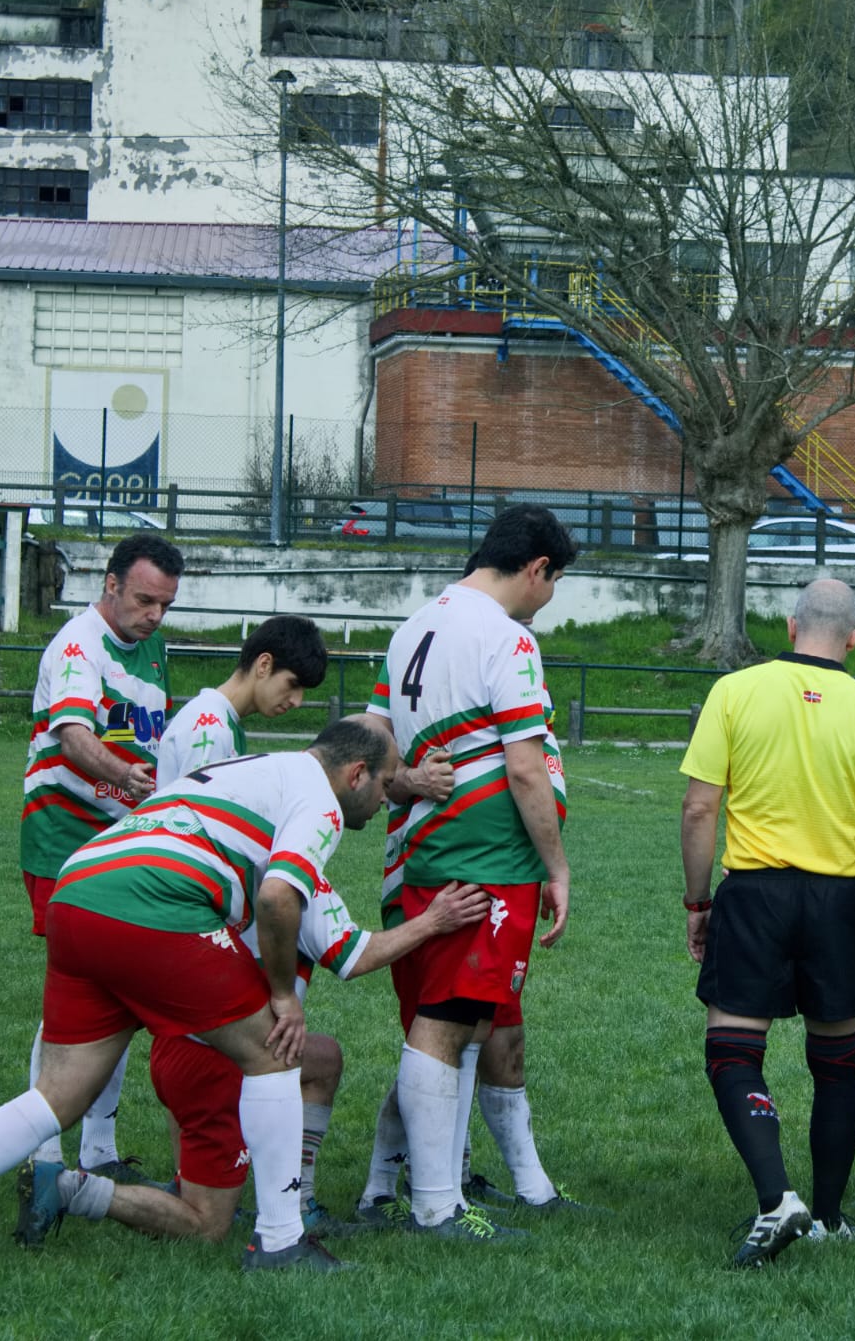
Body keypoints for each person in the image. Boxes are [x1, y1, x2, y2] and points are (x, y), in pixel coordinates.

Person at [0, 717, 397, 1273]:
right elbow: (278, 896)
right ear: (355, 774)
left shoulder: (251, 767)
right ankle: (282, 1241)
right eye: (384, 785)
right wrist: (284, 997)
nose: (383, 801)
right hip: (154, 895)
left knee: (57, 1095)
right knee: (274, 1047)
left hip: (79, 887)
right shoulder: (319, 795)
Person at [25, 874, 488, 1245]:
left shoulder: (228, 866)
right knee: (205, 1226)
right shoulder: (293, 885)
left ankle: (290, 1199)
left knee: (322, 1058)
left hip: (175, 1046)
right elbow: (356, 956)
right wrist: (433, 922)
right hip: (219, 1066)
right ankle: (73, 1189)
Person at [681, 577, 855, 1267]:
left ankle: (774, 1196)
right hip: (837, 899)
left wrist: (698, 903)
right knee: (836, 1061)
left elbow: (700, 810)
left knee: (732, 1050)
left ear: (790, 629)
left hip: (754, 891)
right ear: (854, 639)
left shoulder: (735, 690)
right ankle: (828, 1214)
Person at [364, 505, 578, 1243]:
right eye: (554, 585)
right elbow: (524, 767)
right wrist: (556, 864)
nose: (547, 602)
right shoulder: (506, 636)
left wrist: (405, 783)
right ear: (536, 568)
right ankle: (434, 1205)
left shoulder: (412, 626)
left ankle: (406, 1185)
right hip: (483, 860)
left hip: (417, 857)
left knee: (452, 1023)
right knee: (449, 1025)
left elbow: (370, 751)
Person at [19, 533, 182, 1193]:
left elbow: (154, 733)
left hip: (122, 841)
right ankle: (41, 1149)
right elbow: (75, 737)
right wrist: (142, 783)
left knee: (115, 994)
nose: (155, 614)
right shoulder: (77, 645)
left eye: (166, 604)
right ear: (109, 583)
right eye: (145, 599)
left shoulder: (152, 646)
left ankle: (99, 1145)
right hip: (64, 837)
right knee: (72, 997)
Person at [152, 616, 330, 784]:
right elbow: (196, 812)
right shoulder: (212, 728)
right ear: (264, 665)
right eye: (293, 684)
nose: (297, 701)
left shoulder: (223, 721)